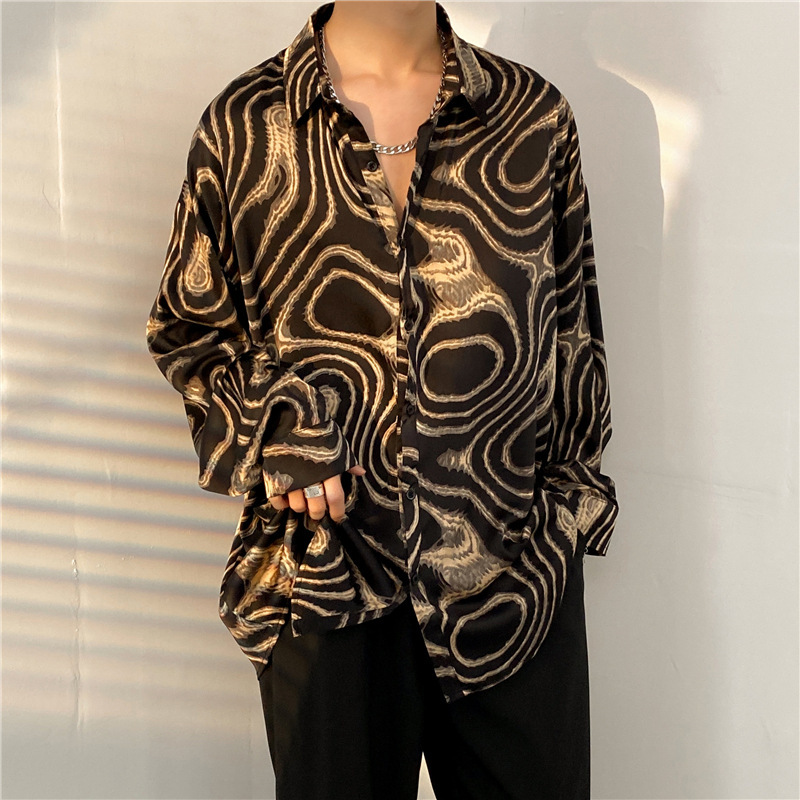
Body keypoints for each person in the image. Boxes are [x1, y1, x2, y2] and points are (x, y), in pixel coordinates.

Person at [146, 1, 620, 798]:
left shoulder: (531, 120)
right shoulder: (246, 128)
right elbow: (190, 330)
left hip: (511, 578)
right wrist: (281, 428)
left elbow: (575, 338)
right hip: (329, 579)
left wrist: (567, 521)